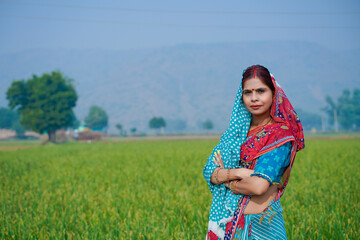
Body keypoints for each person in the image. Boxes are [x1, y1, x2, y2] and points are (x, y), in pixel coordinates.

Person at [203, 65, 305, 240]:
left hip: (263, 225)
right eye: (248, 92)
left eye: (261, 91)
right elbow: (208, 171)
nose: (254, 98)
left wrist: (226, 181)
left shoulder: (280, 135)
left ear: (274, 94)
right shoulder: (235, 134)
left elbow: (258, 186)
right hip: (229, 224)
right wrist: (238, 173)